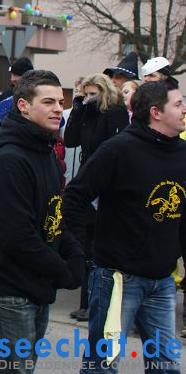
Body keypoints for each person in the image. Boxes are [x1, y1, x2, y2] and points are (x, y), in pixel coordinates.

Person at [63, 80, 186, 374]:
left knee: (167, 367)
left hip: (162, 280)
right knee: (102, 365)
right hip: (118, 279)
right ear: (156, 112)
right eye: (179, 104)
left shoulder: (183, 153)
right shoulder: (118, 149)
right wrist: (82, 251)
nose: (185, 110)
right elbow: (75, 197)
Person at [0, 70, 85, 373]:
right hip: (7, 291)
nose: (58, 109)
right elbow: (18, 238)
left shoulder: (46, 152)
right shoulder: (10, 160)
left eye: (60, 102)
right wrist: (63, 271)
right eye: (48, 102)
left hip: (34, 285)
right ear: (23, 105)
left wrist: (74, 253)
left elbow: (53, 215)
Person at [64, 73, 130, 322]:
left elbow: (114, 147)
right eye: (86, 94)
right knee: (86, 242)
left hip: (107, 182)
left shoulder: (115, 113)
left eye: (93, 94)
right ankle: (86, 302)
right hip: (88, 177)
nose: (89, 98)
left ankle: (98, 302)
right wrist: (78, 107)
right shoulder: (88, 113)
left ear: (105, 92)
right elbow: (70, 140)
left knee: (99, 244)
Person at [0, 57, 35, 125]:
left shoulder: (35, 97)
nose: (12, 79)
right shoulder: (6, 95)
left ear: (27, 76)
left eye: (16, 75)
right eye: (11, 75)